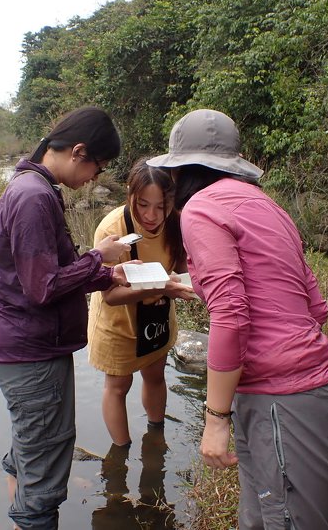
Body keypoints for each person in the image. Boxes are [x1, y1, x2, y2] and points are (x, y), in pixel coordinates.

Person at [147, 109, 328, 530]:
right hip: (317, 394)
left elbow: (231, 315)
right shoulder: (268, 206)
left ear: (179, 172)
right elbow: (316, 307)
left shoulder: (201, 209)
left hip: (283, 405)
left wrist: (215, 419)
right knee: (259, 518)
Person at [0, 106, 132, 530]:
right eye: (97, 167)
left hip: (24, 348)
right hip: (32, 354)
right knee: (45, 465)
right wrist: (97, 258)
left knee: (30, 450)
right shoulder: (33, 196)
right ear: (78, 151)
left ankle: (20, 513)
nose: (95, 178)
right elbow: (42, 286)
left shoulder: (34, 186)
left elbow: (44, 272)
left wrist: (103, 273)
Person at [87, 161, 196, 447]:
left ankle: (156, 438)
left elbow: (183, 266)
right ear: (129, 194)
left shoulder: (176, 221)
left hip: (156, 316)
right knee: (118, 386)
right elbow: (109, 296)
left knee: (155, 374)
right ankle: (121, 454)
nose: (151, 216)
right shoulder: (112, 229)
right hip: (118, 323)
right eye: (143, 204)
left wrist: (182, 282)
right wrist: (163, 286)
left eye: (161, 206)